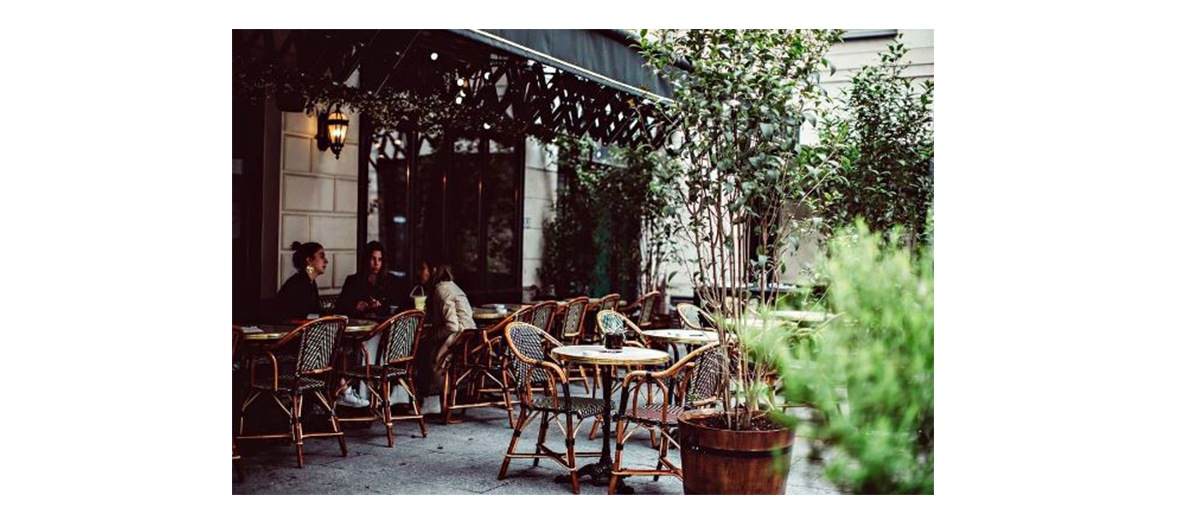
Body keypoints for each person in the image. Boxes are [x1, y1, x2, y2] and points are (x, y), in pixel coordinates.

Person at [415, 260, 476, 411]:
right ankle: (432, 399)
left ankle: (430, 400)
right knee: (423, 344)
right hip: (468, 337)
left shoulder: (441, 289)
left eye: (423, 268)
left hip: (460, 339)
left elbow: (452, 325)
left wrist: (431, 336)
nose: (419, 272)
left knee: (422, 348)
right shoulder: (449, 286)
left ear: (433, 270)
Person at [336, 241, 395, 318]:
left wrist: (379, 305)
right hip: (358, 324)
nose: (376, 263)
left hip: (382, 325)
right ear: (366, 259)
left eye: (380, 259)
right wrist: (355, 305)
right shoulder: (353, 280)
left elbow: (393, 306)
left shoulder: (389, 281)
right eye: (373, 259)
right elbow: (339, 308)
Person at [273, 241, 327, 321]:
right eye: (322, 257)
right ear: (309, 260)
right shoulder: (297, 285)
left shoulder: (310, 282)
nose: (326, 261)